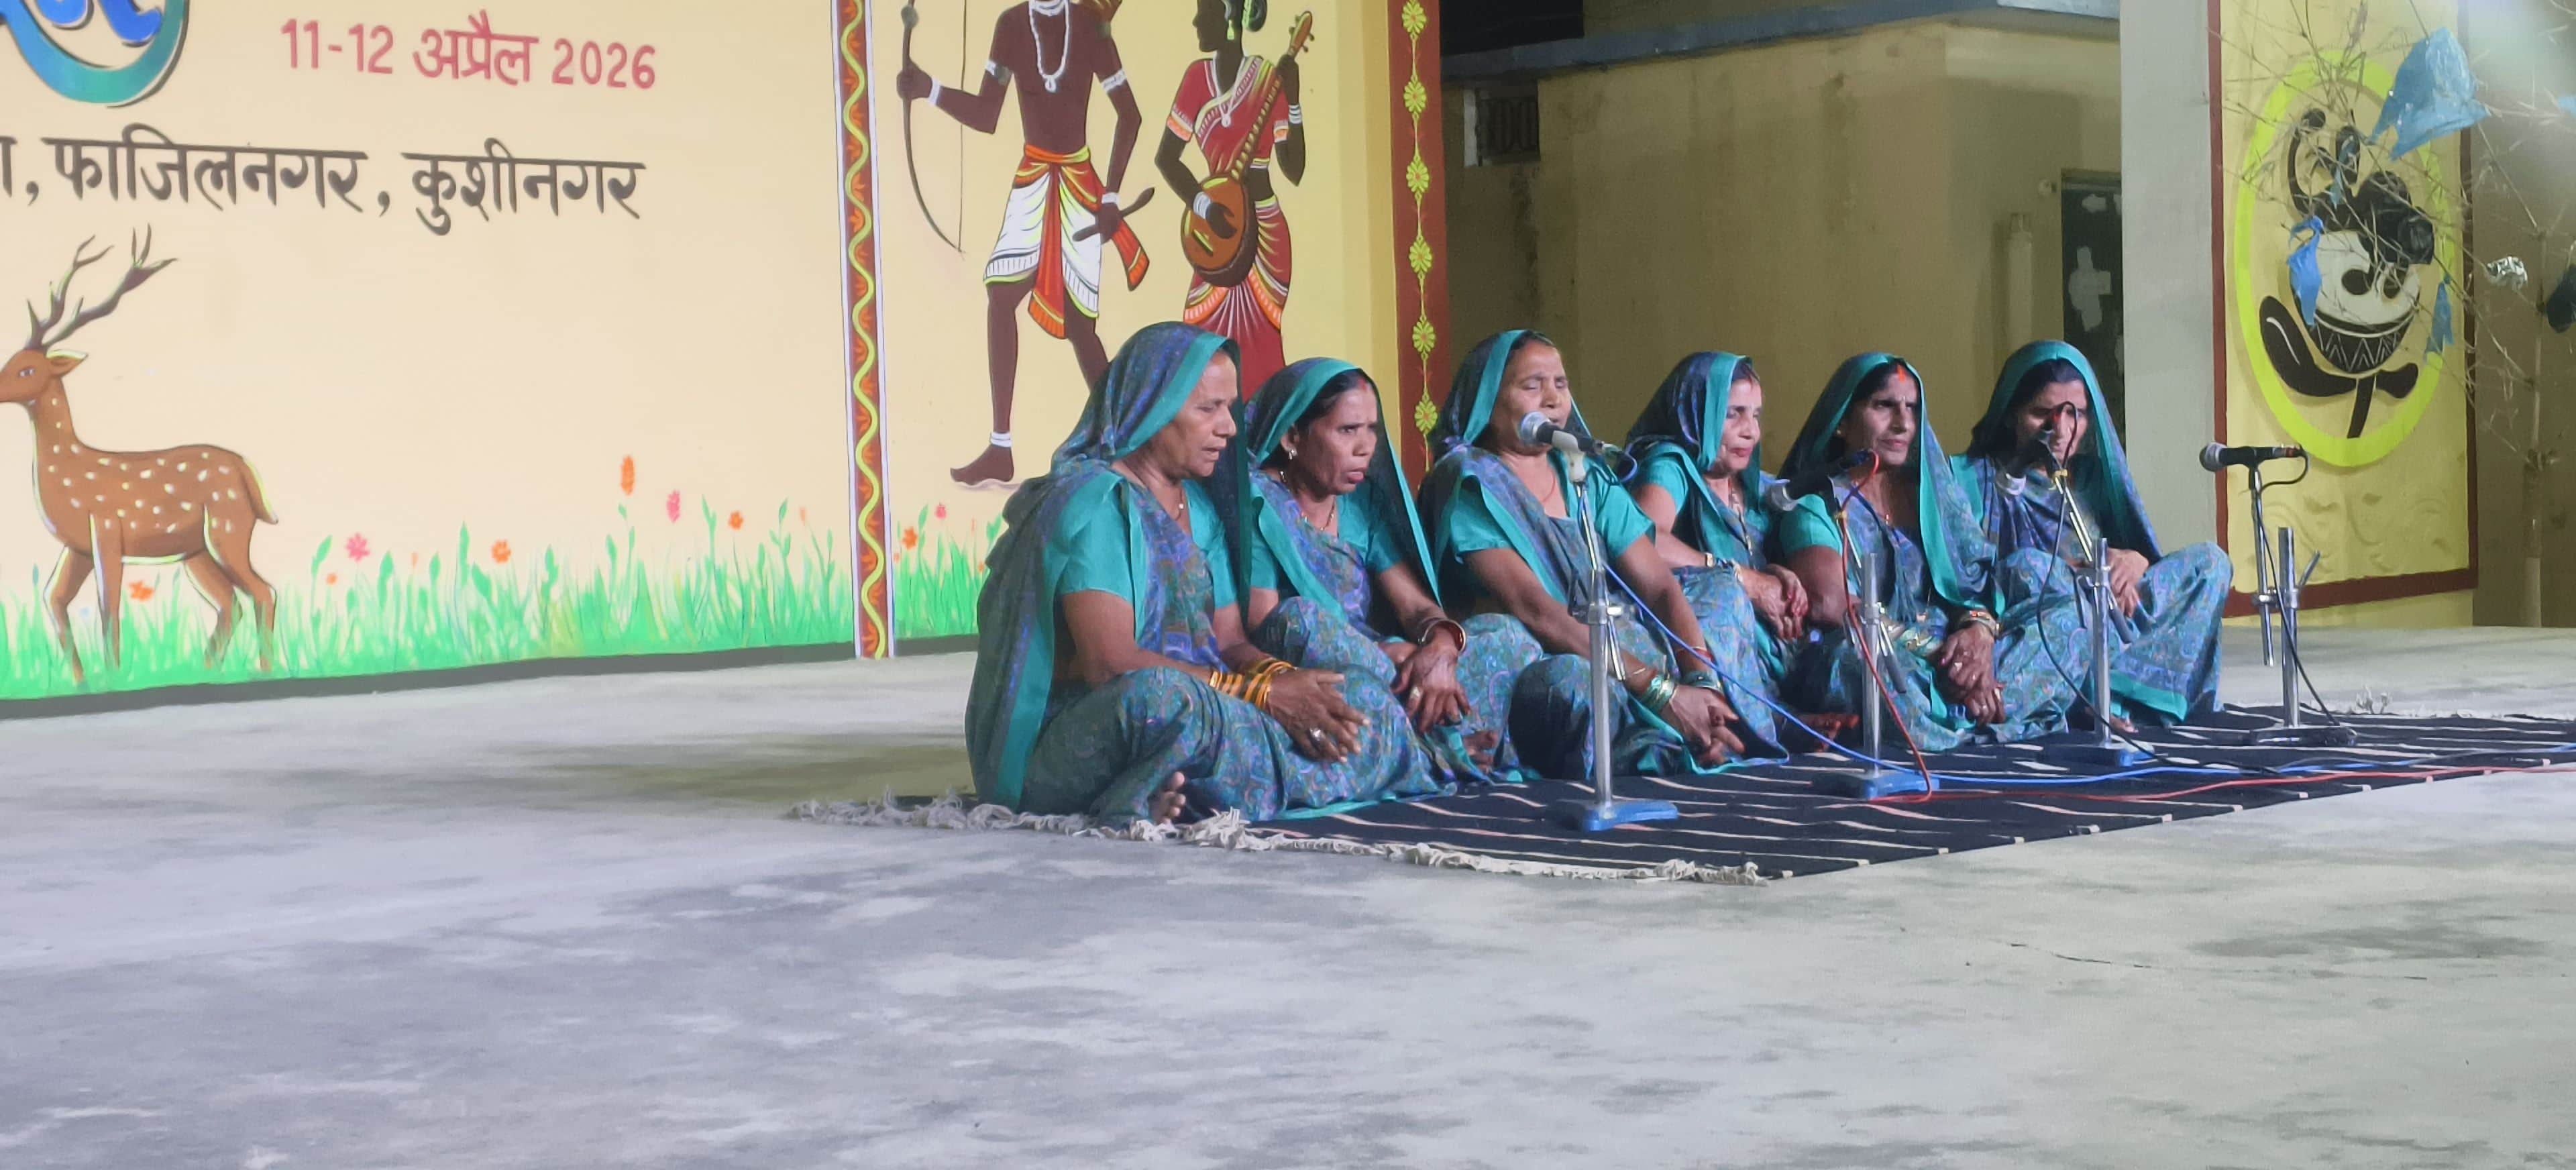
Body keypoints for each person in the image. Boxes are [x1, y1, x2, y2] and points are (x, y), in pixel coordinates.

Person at [965, 323, 1442, 825]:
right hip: (1094, 726)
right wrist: (1261, 695)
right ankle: (1185, 786)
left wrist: (1287, 683)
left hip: (1204, 704)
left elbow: (1229, 642)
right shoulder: (1096, 503)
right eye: (1208, 408)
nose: (1230, 428)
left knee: (1358, 696)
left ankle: (1193, 789)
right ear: (1152, 408)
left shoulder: (1197, 504)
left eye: (1229, 408)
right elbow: (1110, 665)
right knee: (1167, 701)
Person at [1417, 329, 1754, 780]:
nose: (1553, 399)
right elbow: (1536, 610)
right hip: (1541, 657)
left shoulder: (1585, 474)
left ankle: (1707, 728)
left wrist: (1700, 680)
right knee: (1578, 683)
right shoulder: (1470, 483)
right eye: (1532, 385)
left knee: (1716, 596)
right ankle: (1664, 744)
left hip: (1613, 648)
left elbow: (1657, 586)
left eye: (1561, 383)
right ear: (1488, 402)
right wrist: (1663, 694)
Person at [1214, 358, 1544, 782]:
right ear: (1293, 436)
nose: (1365, 447)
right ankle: (1446, 745)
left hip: (1386, 665)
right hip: (1320, 667)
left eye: (1371, 429)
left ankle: (1437, 742)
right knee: (1300, 618)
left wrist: (1440, 648)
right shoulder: (1260, 502)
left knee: (1508, 635)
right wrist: (1388, 654)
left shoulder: (1362, 503)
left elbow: (1415, 609)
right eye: (1348, 430)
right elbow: (1268, 626)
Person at [1774, 353, 2084, 753]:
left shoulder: (1934, 498)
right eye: (1884, 406)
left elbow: (1975, 582)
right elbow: (1835, 607)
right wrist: (1942, 657)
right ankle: (1985, 714)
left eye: (1912, 409)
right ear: (1843, 422)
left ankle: (1965, 715)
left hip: (1954, 655)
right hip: (1893, 656)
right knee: (1859, 662)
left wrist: (1978, 635)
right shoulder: (1816, 508)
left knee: (2069, 611)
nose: (1903, 424)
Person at [898, 0, 1150, 488]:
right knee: (1001, 295)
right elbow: (987, 113)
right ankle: (1000, 447)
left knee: (1080, 325)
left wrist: (1111, 196)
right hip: (1034, 179)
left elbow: (1131, 116)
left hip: (1077, 183)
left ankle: (1122, 447)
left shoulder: (1089, 25)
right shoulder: (1012, 25)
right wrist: (929, 89)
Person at [1953, 341, 2231, 725]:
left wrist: (2135, 560)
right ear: (2010, 414)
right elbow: (1969, 577)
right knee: (2032, 567)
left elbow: (2135, 567)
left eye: (2077, 414)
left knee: (2211, 564)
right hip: (2039, 628)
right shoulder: (1971, 479)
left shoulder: (2093, 479)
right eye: (2042, 414)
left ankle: (2121, 696)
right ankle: (2079, 698)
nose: (2061, 430)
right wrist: (2078, 571)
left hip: (2111, 620)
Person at [1622, 352, 1803, 750]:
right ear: (1694, 413)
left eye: (1756, 416)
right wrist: (1740, 576)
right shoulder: (1670, 466)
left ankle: (1782, 716)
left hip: (1762, 635)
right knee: (1724, 600)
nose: (1750, 432)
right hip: (1688, 629)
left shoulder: (1753, 484)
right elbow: (1644, 541)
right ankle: (1752, 727)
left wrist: (1778, 574)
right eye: (1733, 414)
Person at [1155, 0, 1305, 391]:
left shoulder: (1267, 78)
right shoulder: (1196, 78)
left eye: (1204, 12)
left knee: (1262, 349)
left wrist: (1293, 101)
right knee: (1200, 347)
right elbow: (1166, 158)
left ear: (1227, 17)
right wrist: (1204, 207)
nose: (1195, 21)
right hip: (1216, 233)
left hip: (1263, 235)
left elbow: (1294, 169)